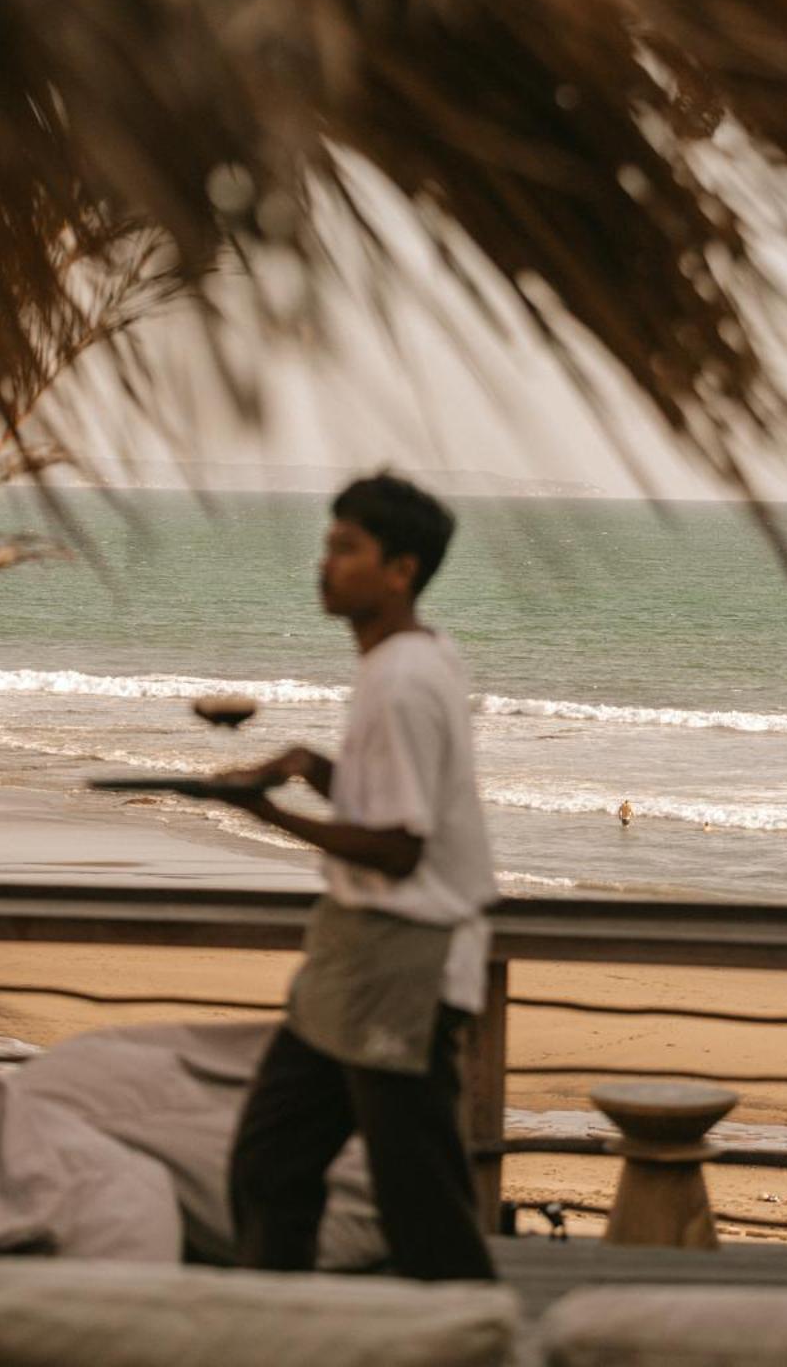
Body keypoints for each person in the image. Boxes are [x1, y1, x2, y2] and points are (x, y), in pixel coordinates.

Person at [202, 472, 496, 1281]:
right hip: (357, 952)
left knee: (418, 1195)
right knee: (273, 1160)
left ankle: (471, 1330)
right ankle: (284, 1328)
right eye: (327, 544)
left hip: (403, 961)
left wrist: (265, 816)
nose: (323, 564)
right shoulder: (413, 659)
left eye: (346, 548)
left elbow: (400, 845)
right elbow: (394, 797)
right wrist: (303, 765)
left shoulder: (401, 681)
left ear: (400, 569)